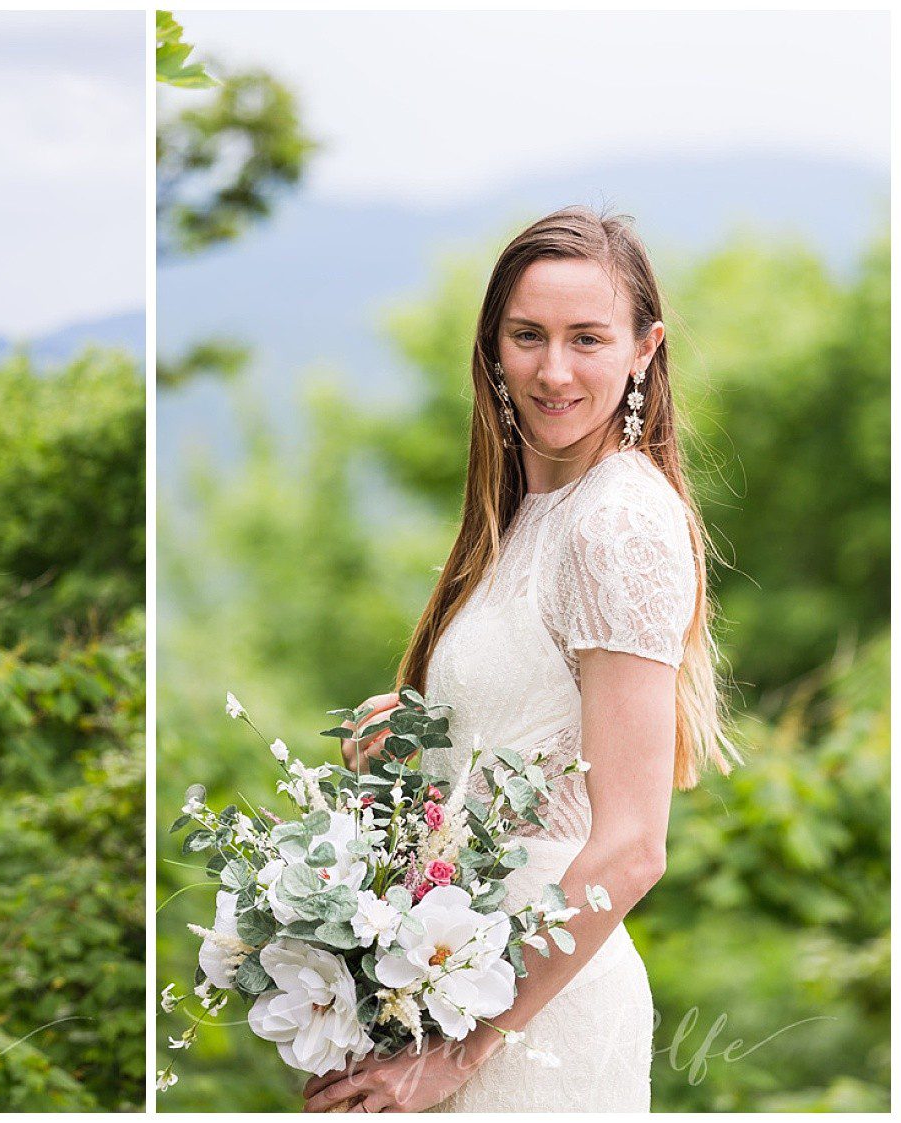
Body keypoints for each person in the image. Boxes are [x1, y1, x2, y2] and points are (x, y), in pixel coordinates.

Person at [304, 208, 736, 1113]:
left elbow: (629, 847)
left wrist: (454, 1056)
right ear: (492, 345)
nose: (554, 369)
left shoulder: (618, 518)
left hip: (539, 1017)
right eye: (527, 335)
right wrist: (418, 748)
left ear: (645, 349)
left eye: (589, 338)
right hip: (461, 978)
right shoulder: (529, 516)